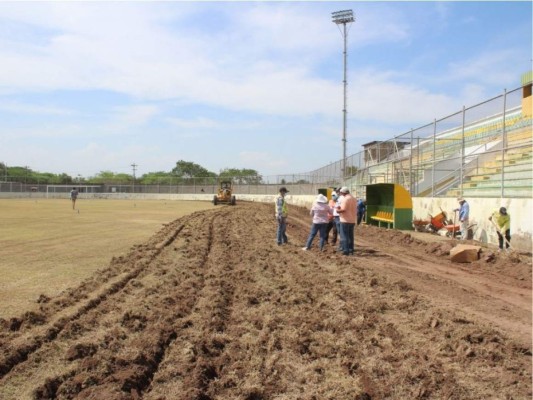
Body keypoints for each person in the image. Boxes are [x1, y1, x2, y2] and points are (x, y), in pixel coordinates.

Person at [337, 186, 357, 255]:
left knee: (344, 236)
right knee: (351, 236)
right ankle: (351, 250)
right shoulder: (354, 198)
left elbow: (343, 209)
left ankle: (346, 250)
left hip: (345, 220)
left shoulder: (345, 199)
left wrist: (337, 210)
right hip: (352, 220)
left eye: (341, 193)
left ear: (343, 192)